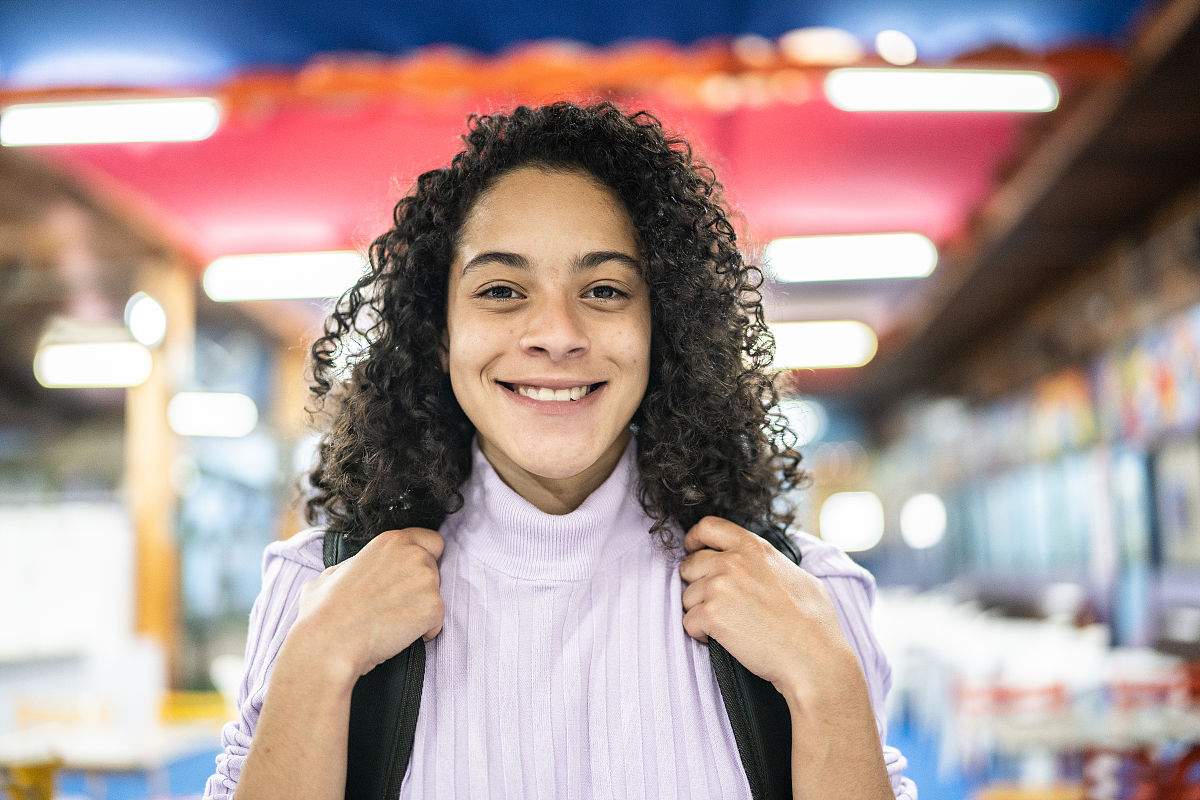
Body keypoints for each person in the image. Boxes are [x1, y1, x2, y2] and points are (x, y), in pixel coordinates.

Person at [205, 101, 916, 800]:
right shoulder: (315, 591)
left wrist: (828, 685)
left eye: (604, 290)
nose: (556, 334)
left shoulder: (810, 599)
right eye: (501, 290)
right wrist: (316, 664)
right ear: (440, 333)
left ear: (663, 326)